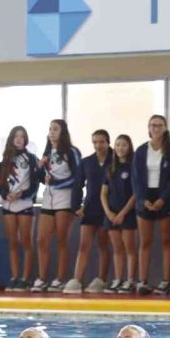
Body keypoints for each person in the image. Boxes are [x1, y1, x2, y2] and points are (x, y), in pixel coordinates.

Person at [132, 115, 170, 296]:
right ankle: (142, 280)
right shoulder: (141, 150)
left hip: (164, 197)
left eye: (159, 125)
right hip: (145, 198)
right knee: (145, 242)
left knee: (166, 241)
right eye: (152, 125)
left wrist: (163, 199)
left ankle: (166, 281)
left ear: (165, 128)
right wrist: (142, 199)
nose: (156, 128)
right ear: (148, 128)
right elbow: (136, 178)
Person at [33, 119, 80, 292]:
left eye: (55, 129)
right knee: (42, 239)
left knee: (62, 240)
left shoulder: (72, 152)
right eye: (50, 129)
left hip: (65, 200)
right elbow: (40, 177)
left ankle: (60, 279)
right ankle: (42, 278)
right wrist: (40, 171)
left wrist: (56, 183)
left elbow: (78, 177)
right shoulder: (46, 153)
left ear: (63, 132)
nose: (52, 132)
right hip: (48, 200)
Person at [67, 130, 112, 294]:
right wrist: (75, 206)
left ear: (108, 142)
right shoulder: (87, 162)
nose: (98, 145)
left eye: (101, 142)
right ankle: (77, 279)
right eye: (95, 142)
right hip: (90, 207)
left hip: (108, 208)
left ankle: (101, 279)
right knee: (83, 244)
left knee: (103, 245)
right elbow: (77, 185)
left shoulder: (115, 160)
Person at [0, 126, 39, 292]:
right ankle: (15, 277)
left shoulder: (31, 158)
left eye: (22, 136)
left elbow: (36, 183)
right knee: (13, 242)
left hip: (25, 203)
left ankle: (25, 278)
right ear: (11, 138)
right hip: (8, 204)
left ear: (26, 139)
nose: (19, 139)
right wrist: (5, 194)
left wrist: (22, 195)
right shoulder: (5, 160)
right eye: (16, 136)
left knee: (26, 241)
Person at [100, 135, 137, 294]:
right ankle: (118, 279)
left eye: (124, 145)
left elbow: (135, 194)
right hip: (112, 214)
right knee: (117, 249)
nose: (120, 148)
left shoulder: (133, 167)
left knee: (129, 248)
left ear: (129, 147)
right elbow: (103, 193)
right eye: (118, 145)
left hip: (127, 213)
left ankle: (130, 280)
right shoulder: (110, 168)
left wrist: (122, 213)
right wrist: (108, 212)